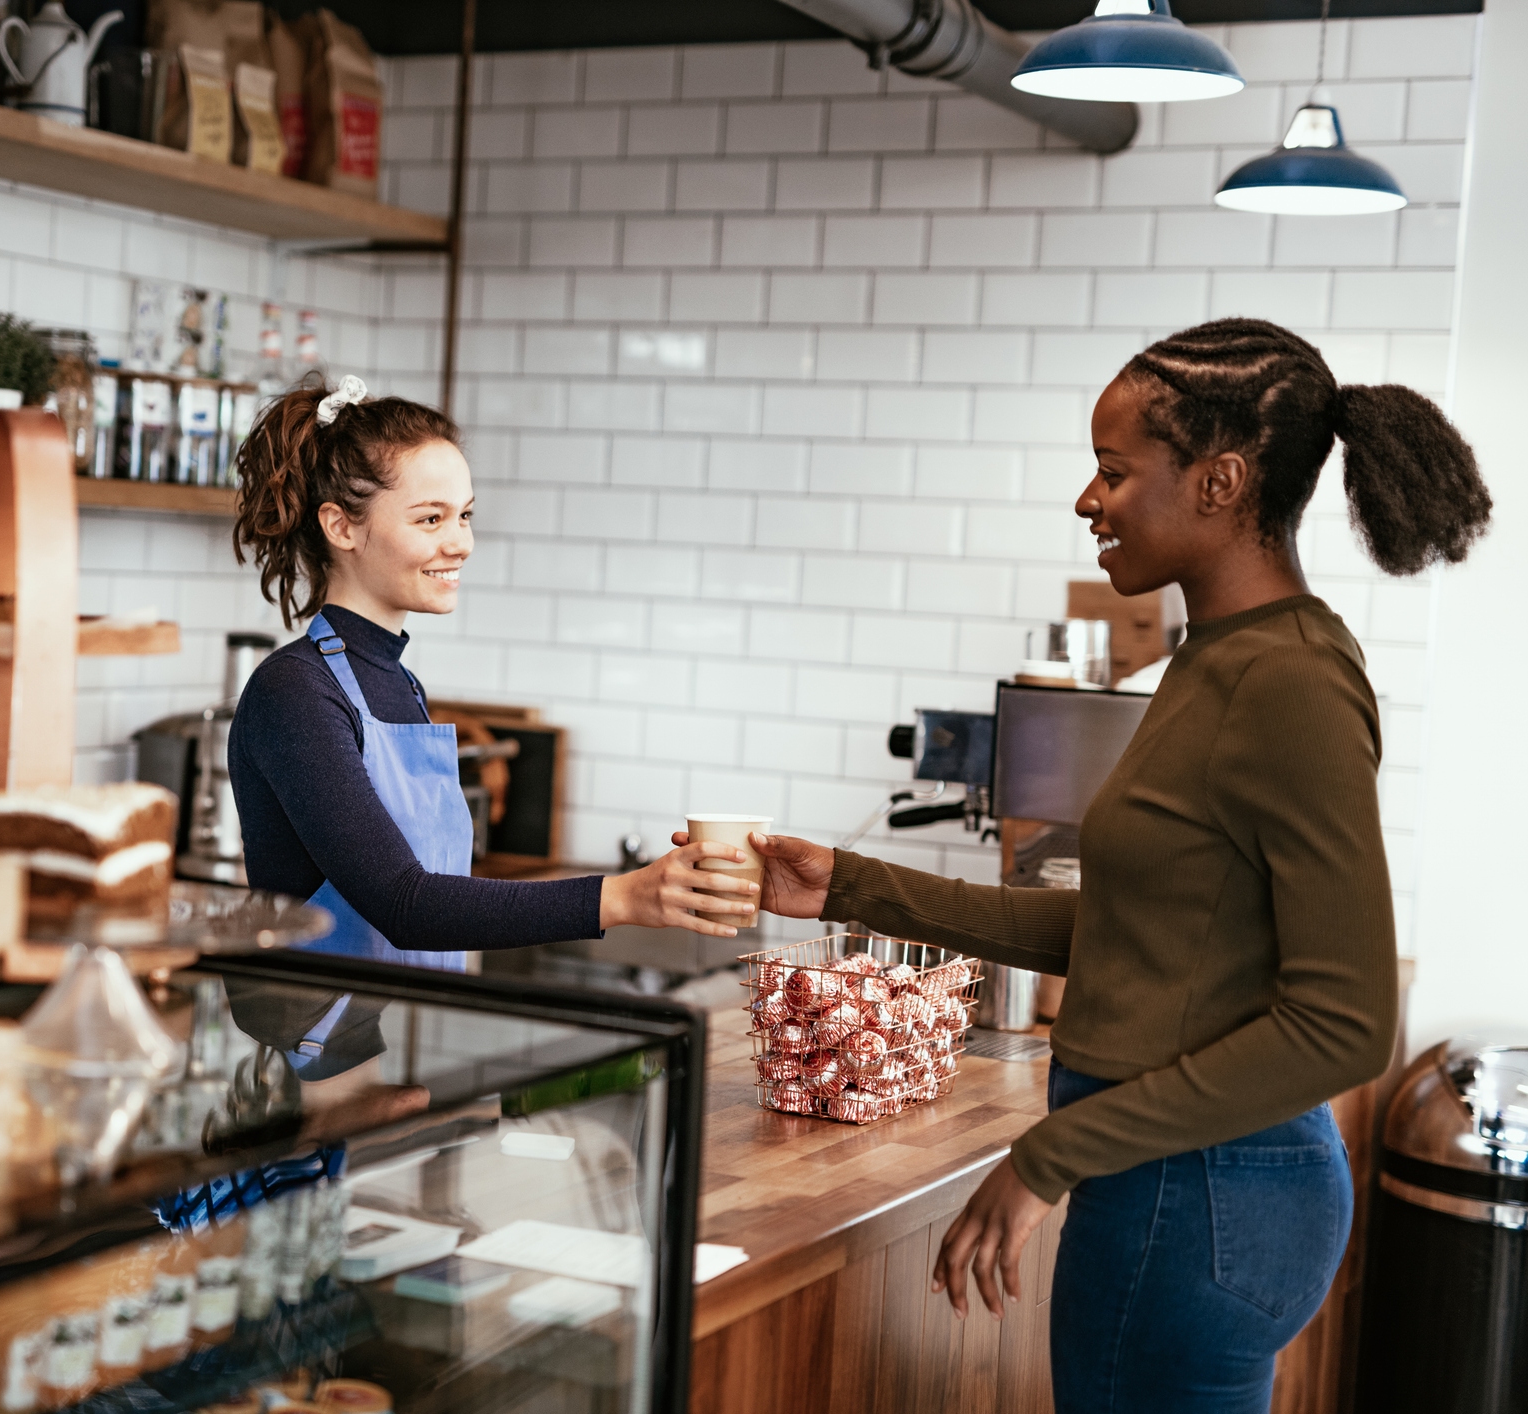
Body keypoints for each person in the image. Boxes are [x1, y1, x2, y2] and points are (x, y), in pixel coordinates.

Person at [699, 319, 1491, 1413]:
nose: (1088, 500)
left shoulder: (1289, 679)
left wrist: (1051, 1152)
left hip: (1199, 1184)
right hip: (1188, 1180)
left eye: (1115, 472)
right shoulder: (1218, 659)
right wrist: (843, 886)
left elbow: (1345, 1020)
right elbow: (1130, 931)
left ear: (1219, 483)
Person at [226, 374, 754, 970]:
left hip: (409, 1020)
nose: (461, 543)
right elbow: (406, 904)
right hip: (327, 1045)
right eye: (431, 519)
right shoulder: (294, 691)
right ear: (341, 527)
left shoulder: (398, 683)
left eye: (464, 516)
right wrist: (624, 896)